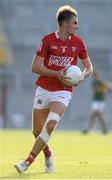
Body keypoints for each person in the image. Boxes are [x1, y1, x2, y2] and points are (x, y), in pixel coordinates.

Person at [14, 5, 93, 173]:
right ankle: (48, 153)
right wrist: (56, 74)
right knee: (37, 131)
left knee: (50, 126)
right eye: (75, 23)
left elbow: (89, 67)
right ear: (65, 24)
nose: (77, 26)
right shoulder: (48, 40)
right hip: (44, 88)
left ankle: (27, 162)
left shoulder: (78, 42)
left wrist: (81, 77)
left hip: (64, 91)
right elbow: (35, 67)